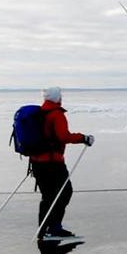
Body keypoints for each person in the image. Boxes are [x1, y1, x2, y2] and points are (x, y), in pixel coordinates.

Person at [29, 87, 94, 241]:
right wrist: (84, 138)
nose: (62, 98)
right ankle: (53, 228)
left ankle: (44, 229)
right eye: (60, 96)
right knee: (64, 192)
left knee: (48, 196)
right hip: (52, 163)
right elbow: (63, 136)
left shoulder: (39, 112)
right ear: (57, 98)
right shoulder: (56, 114)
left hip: (37, 162)